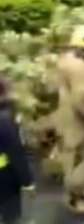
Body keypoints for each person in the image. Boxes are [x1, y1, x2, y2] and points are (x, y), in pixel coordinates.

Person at [33, 24, 84, 214]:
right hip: (79, 117)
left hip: (65, 114)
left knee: (71, 155)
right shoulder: (79, 67)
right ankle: (76, 196)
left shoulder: (65, 60)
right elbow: (82, 97)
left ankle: (76, 192)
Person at [0, 76, 35, 224]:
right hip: (4, 181)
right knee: (11, 217)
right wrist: (28, 182)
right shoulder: (4, 121)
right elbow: (16, 153)